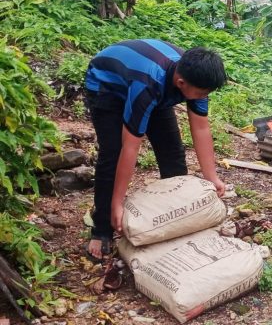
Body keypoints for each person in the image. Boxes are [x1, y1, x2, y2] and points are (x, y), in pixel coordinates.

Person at [84, 39, 227, 260]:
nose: (202, 97)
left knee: (173, 154)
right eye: (200, 93)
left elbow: (201, 128)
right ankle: (101, 228)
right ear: (181, 83)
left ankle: (176, 221)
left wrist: (212, 177)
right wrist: (117, 203)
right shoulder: (149, 86)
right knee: (112, 154)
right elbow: (130, 147)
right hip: (108, 86)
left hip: (151, 85)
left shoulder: (195, 77)